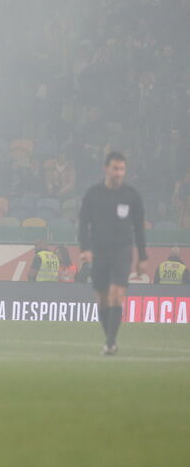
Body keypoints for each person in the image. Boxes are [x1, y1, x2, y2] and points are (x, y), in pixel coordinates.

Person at [78, 151, 148, 356]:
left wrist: (142, 257)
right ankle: (109, 337)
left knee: (116, 294)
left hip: (122, 252)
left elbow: (139, 228)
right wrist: (85, 249)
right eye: (115, 168)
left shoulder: (131, 195)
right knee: (102, 298)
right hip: (99, 252)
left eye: (122, 169)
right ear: (106, 169)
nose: (118, 173)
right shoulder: (93, 194)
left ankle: (110, 342)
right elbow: (83, 223)